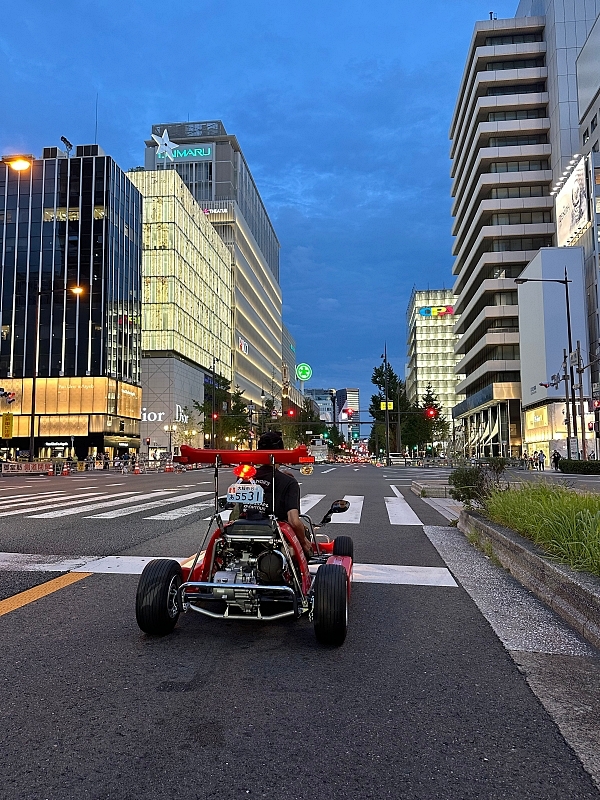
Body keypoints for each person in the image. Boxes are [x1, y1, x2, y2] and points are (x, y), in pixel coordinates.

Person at [240, 431, 313, 558]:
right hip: (275, 538)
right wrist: (304, 542)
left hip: (242, 533)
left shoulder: (244, 479)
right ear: (282, 453)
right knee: (302, 532)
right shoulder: (288, 482)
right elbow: (294, 521)